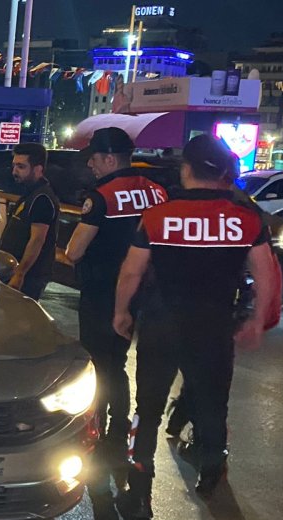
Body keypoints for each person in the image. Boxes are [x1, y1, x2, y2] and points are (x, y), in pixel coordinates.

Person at [112, 134, 279, 514]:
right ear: (222, 172)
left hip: (161, 322)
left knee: (148, 408)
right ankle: (210, 472)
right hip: (213, 326)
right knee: (212, 405)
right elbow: (265, 273)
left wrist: (122, 311)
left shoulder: (158, 216)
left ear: (186, 169)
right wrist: (256, 319)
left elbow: (131, 272)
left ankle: (138, 487)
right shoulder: (245, 218)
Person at [63, 127, 168, 481]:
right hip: (144, 292)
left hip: (101, 292)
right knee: (118, 362)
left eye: (94, 156)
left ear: (110, 158)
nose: (90, 163)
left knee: (97, 363)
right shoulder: (157, 192)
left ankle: (102, 427)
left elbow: (75, 251)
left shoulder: (102, 196)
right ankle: (121, 428)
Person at [0, 143, 59, 300]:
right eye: (14, 166)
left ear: (38, 169)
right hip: (14, 272)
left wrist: (20, 274)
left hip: (29, 278)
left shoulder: (42, 198)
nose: (14, 171)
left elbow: (37, 240)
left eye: (21, 167)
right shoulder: (31, 194)